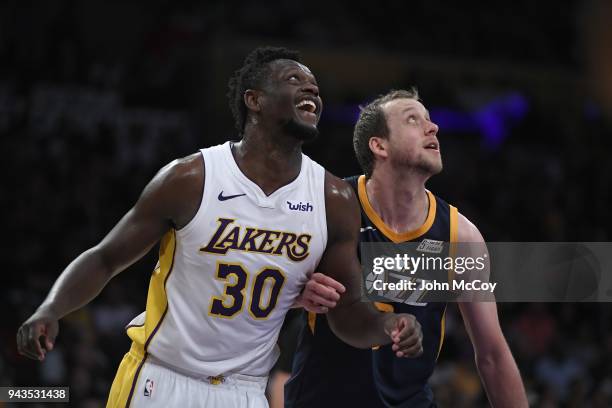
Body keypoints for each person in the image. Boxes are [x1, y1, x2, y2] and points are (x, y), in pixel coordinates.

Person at [16, 48, 423, 408]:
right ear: (255, 100)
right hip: (161, 379)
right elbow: (106, 258)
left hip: (244, 391)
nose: (311, 90)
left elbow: (348, 307)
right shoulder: (190, 178)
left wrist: (386, 326)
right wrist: (52, 308)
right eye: (294, 80)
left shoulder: (333, 198)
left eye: (315, 86)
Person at [286, 89, 528, 407]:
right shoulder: (326, 206)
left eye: (429, 120)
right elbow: (255, 291)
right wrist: (296, 295)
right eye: (413, 120)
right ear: (379, 145)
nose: (433, 127)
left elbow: (492, 354)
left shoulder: (460, 236)